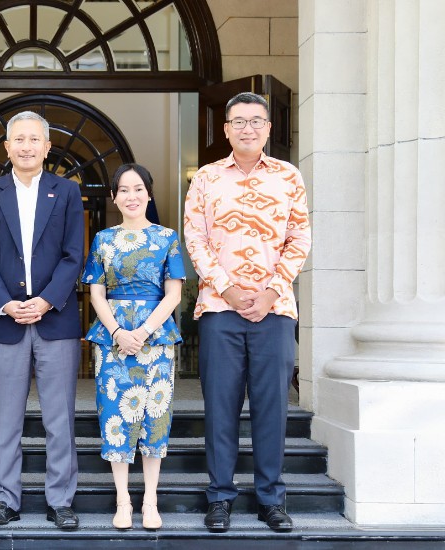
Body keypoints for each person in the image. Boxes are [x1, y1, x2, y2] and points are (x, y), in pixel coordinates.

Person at [183, 92, 311, 533]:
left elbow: (299, 238)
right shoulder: (205, 178)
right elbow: (195, 239)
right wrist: (228, 289)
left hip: (275, 312)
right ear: (226, 129)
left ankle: (270, 499)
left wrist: (273, 291)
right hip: (220, 308)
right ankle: (220, 497)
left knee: (272, 407)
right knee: (220, 406)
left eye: (256, 121)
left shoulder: (288, 177)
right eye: (239, 121)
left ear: (269, 128)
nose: (248, 128)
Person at [0, 111, 84, 530]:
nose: (26, 146)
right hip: (6, 322)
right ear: (6, 148)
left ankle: (60, 500)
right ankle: (5, 498)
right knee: (6, 417)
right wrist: (5, 303)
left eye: (33, 139)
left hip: (55, 321)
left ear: (46, 146)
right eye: (18, 139)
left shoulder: (67, 192)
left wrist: (47, 301)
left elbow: (75, 254)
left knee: (60, 418)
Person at [81, 164, 184, 530]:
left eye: (138, 189)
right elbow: (95, 290)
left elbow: (174, 292)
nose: (131, 196)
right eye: (123, 190)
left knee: (155, 419)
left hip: (155, 334)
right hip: (112, 335)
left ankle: (150, 500)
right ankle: (123, 499)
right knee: (116, 417)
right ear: (113, 197)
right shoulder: (103, 239)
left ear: (149, 193)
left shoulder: (167, 237)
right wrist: (118, 332)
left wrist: (141, 331)